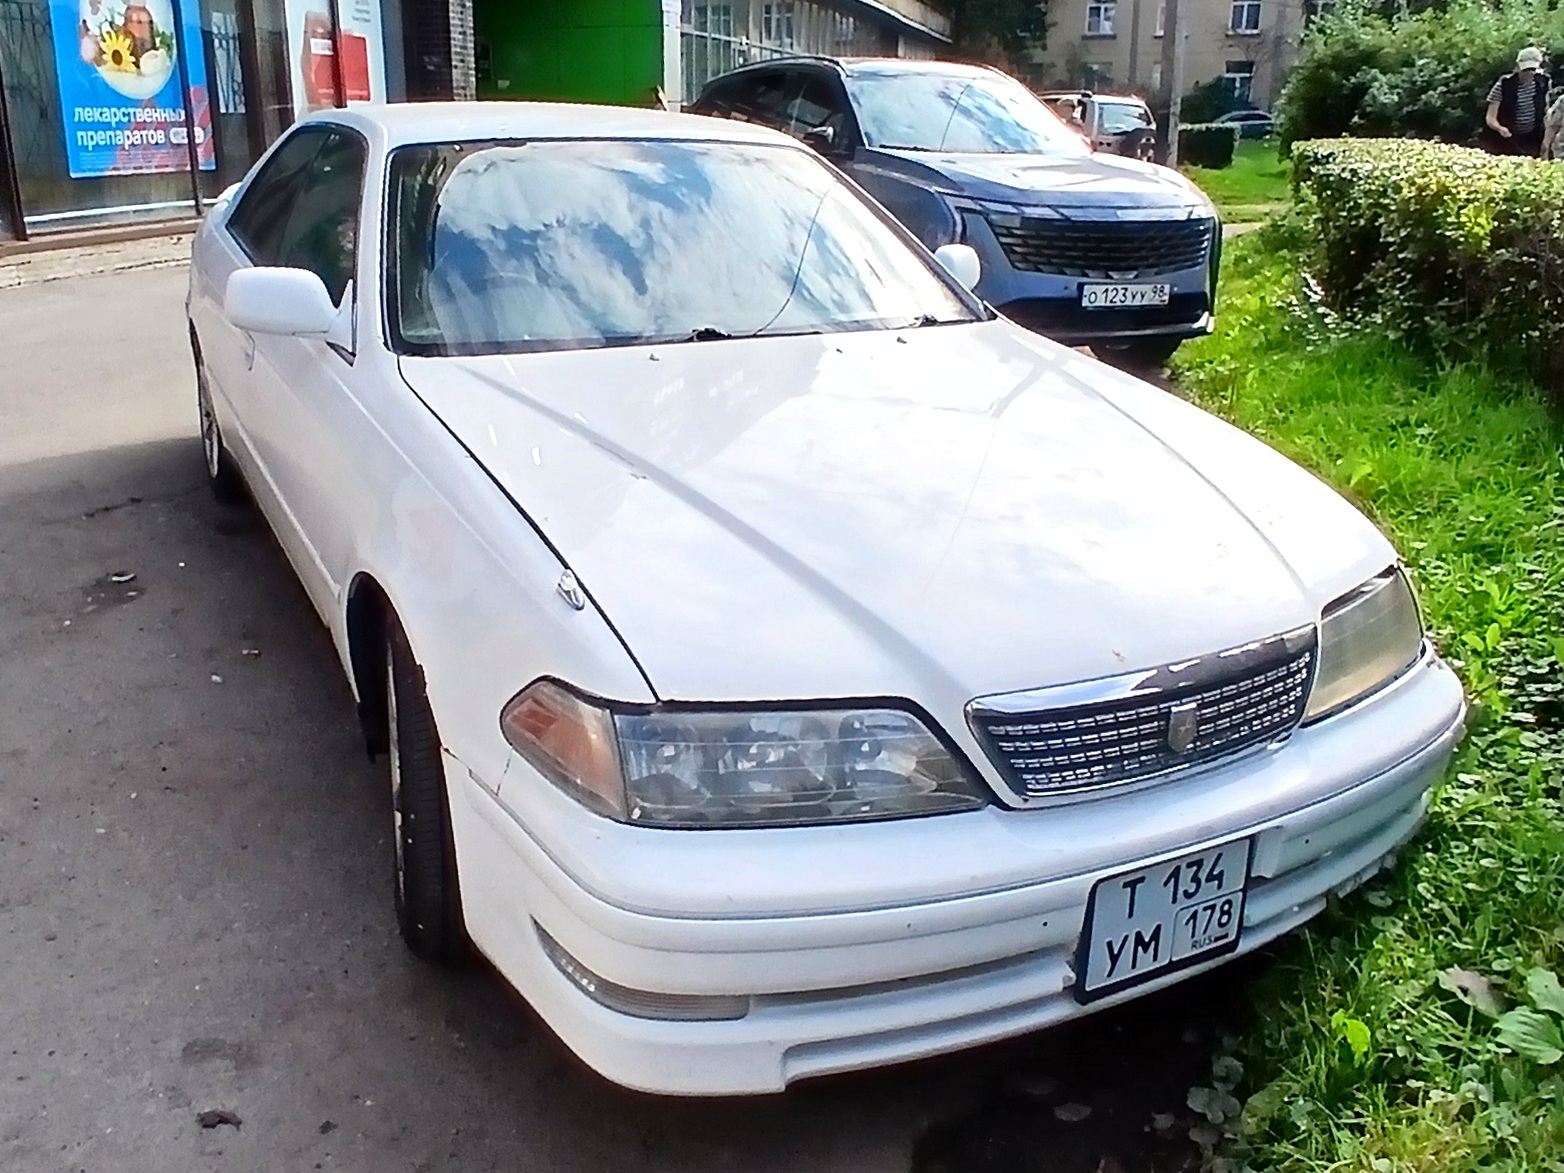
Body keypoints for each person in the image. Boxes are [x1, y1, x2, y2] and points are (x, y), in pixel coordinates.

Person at [1487, 46, 1550, 156]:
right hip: (1508, 140)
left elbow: (1547, 109)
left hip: (1534, 138)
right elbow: (1490, 117)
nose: (1529, 73)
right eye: (1526, 70)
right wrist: (1500, 128)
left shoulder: (1544, 82)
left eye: (1532, 69)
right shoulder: (1504, 84)